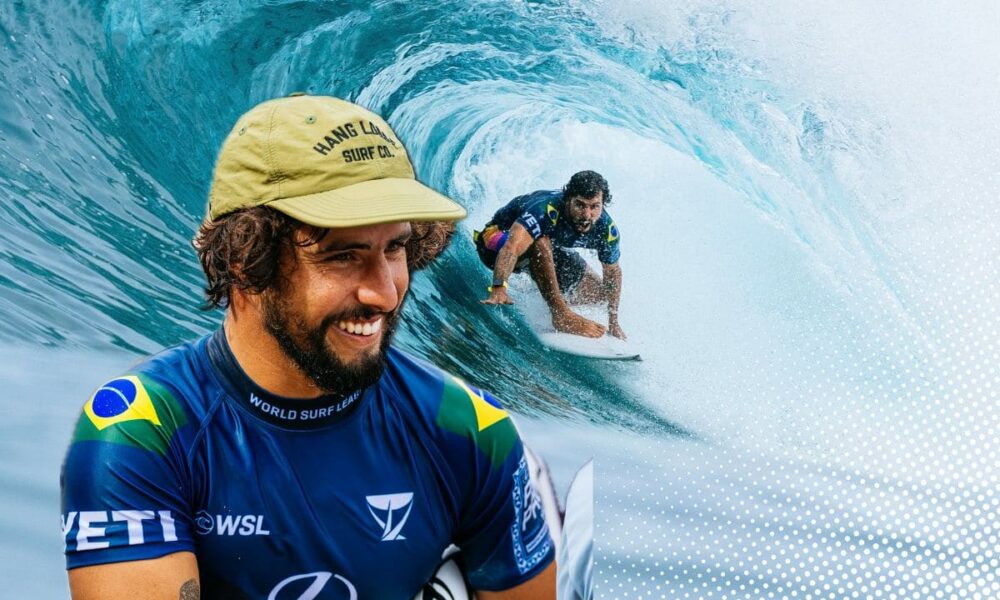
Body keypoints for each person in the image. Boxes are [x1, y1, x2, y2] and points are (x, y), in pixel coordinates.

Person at [60, 94, 556, 599]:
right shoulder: (144, 431)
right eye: (343, 255)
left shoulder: (469, 430)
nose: (384, 293)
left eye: (396, 248)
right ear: (244, 260)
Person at [475, 171, 625, 339]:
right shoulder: (544, 210)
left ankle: (552, 298)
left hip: (545, 251)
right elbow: (511, 248)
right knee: (540, 241)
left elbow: (613, 273)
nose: (586, 215)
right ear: (568, 199)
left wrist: (613, 321)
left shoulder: (606, 229)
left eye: (594, 206)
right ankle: (560, 314)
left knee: (600, 295)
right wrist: (498, 287)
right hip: (495, 244)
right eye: (580, 205)